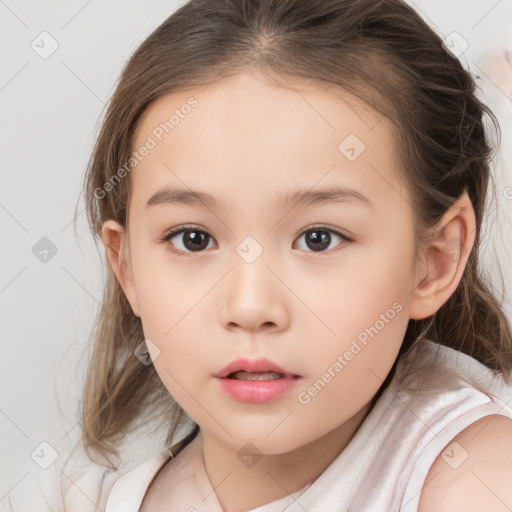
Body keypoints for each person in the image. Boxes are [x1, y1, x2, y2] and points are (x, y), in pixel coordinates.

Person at [6, 0, 512, 511]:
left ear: (435, 261)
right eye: (193, 239)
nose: (250, 307)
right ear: (127, 267)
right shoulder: (74, 500)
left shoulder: (477, 478)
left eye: (319, 238)